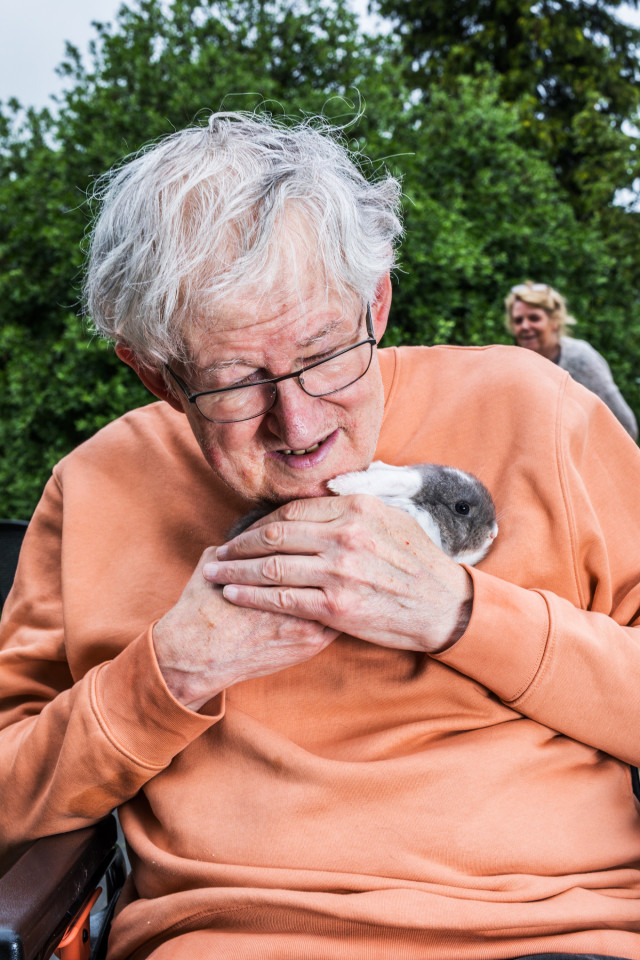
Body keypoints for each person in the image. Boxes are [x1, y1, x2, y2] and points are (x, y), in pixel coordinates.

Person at [1, 112, 640, 960]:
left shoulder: (539, 412)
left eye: (326, 352)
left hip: (552, 935)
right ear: (156, 373)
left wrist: (464, 615)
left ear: (375, 301)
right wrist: (170, 673)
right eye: (233, 384)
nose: (298, 424)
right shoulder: (95, 486)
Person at [505, 280, 638, 440]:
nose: (525, 326)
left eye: (534, 318)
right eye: (518, 320)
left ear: (554, 321)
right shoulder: (515, 366)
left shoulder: (579, 359)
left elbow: (625, 427)